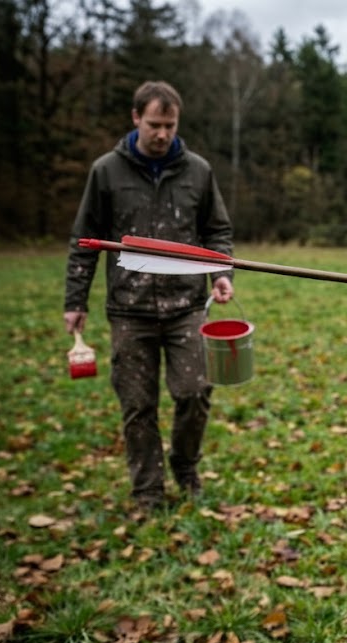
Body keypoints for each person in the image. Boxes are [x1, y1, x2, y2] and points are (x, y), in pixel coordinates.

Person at [64, 80, 234, 513]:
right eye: (155, 124)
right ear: (136, 117)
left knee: (194, 391)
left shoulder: (198, 171)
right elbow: (85, 239)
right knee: (138, 405)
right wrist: (75, 300)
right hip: (129, 309)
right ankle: (148, 493)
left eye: (170, 126)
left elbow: (216, 230)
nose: (162, 134)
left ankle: (184, 465)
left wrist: (221, 272)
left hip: (186, 307)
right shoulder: (106, 171)